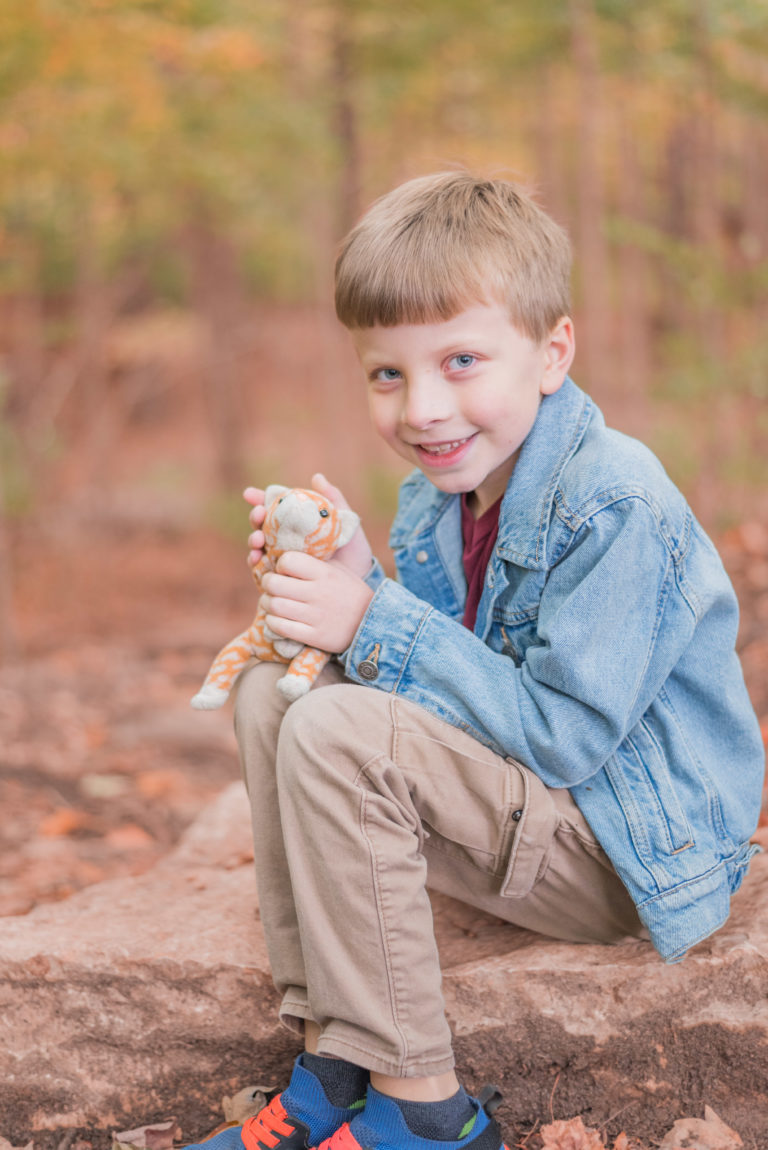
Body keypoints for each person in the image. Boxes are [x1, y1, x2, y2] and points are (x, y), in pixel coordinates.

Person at [190, 172, 764, 1150]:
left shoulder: (614, 500)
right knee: (269, 693)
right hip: (524, 811)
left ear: (552, 352)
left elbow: (565, 737)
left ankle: (426, 1111)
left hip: (622, 849)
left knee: (333, 721)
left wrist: (371, 621)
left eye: (460, 360)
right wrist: (360, 576)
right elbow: (456, 684)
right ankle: (335, 1057)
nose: (423, 407)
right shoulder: (436, 497)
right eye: (388, 373)